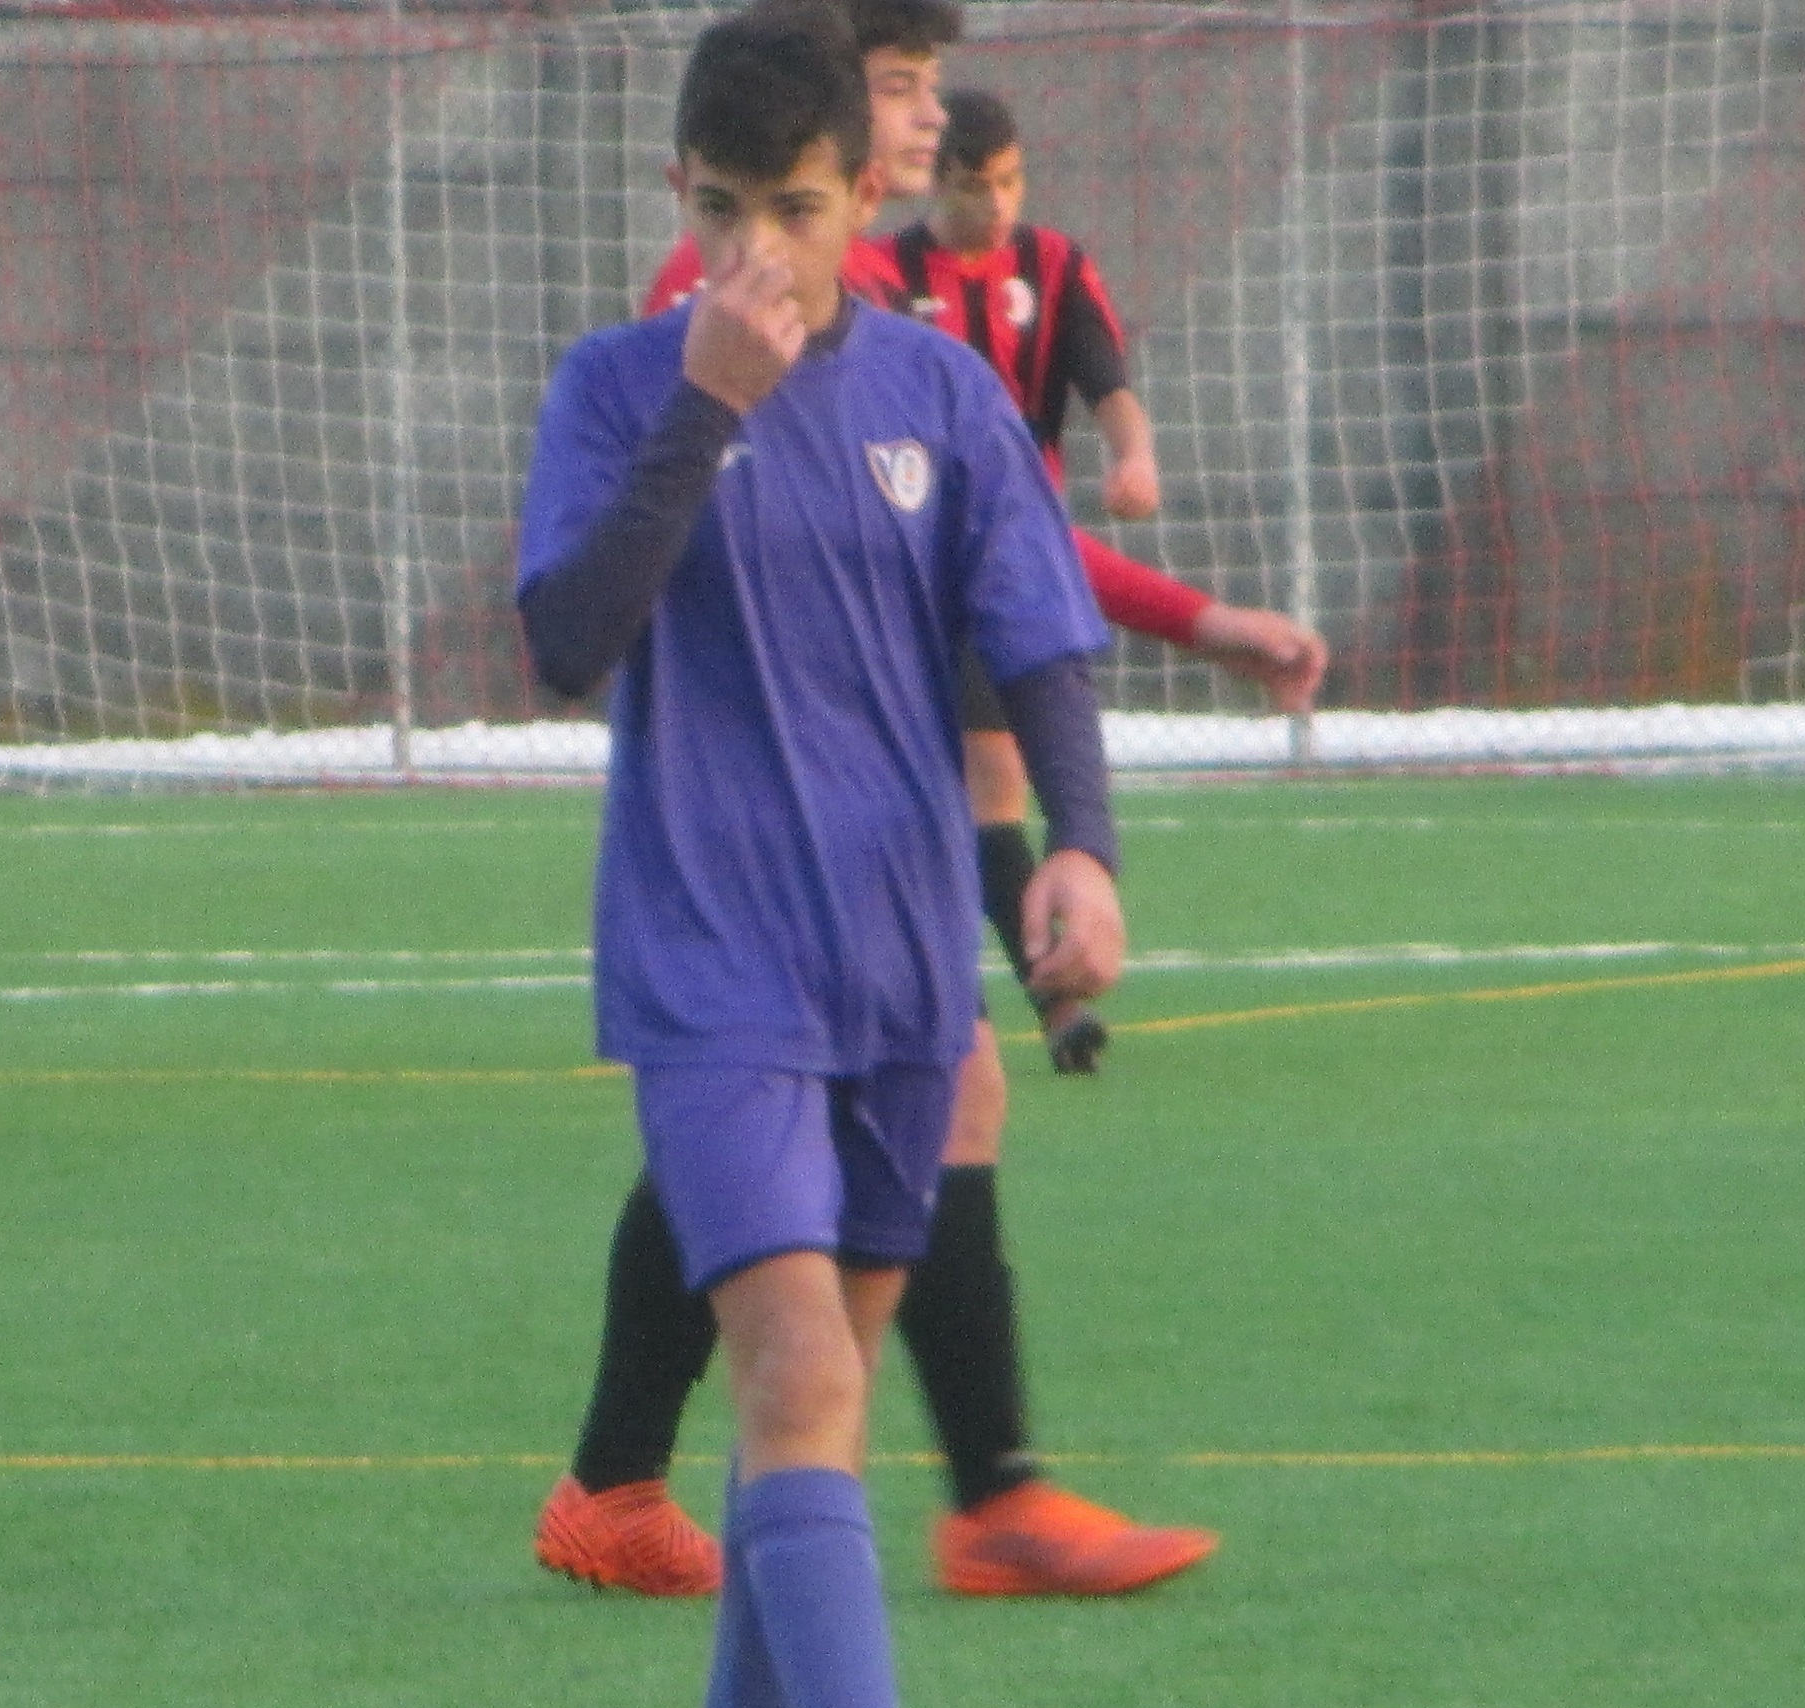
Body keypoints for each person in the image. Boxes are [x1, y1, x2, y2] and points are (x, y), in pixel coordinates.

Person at [535, 0, 1218, 1605]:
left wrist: (1086, 845)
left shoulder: (937, 380)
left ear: (851, 195)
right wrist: (709, 406)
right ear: (682, 190)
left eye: (794, 207)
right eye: (722, 210)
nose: (756, 249)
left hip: (892, 947)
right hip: (714, 942)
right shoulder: (642, 374)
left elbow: (1031, 609)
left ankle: (638, 1489)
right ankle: (989, 1497)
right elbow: (570, 639)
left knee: (809, 1430)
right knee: (801, 1376)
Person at [874, 86, 1330, 1076]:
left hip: (1006, 576)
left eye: (1011, 182)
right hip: (896, 586)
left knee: (993, 786)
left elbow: (1106, 385)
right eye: (974, 185)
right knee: (944, 802)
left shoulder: (1055, 267)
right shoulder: (880, 281)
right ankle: (995, 1007)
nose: (997, 204)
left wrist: (1137, 456)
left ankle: (1047, 1003)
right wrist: (1202, 621)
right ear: (928, 180)